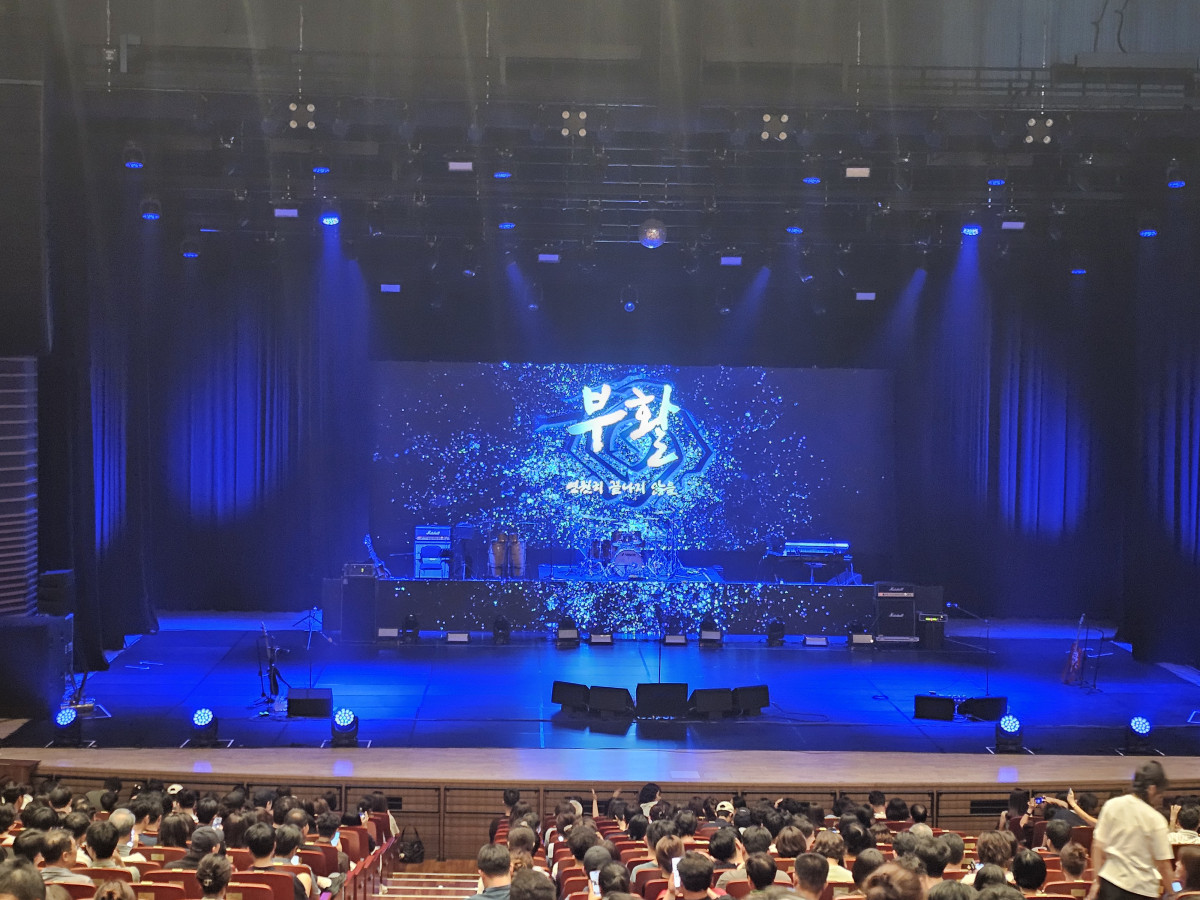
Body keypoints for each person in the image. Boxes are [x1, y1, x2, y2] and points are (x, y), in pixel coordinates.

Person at [1086, 760, 1174, 900]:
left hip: (1109, 884)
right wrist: (1178, 891)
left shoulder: (1112, 805)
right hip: (1141, 891)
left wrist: (1097, 881)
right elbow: (1164, 866)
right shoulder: (1156, 819)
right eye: (1160, 793)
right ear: (1152, 789)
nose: (1160, 798)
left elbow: (1097, 846)